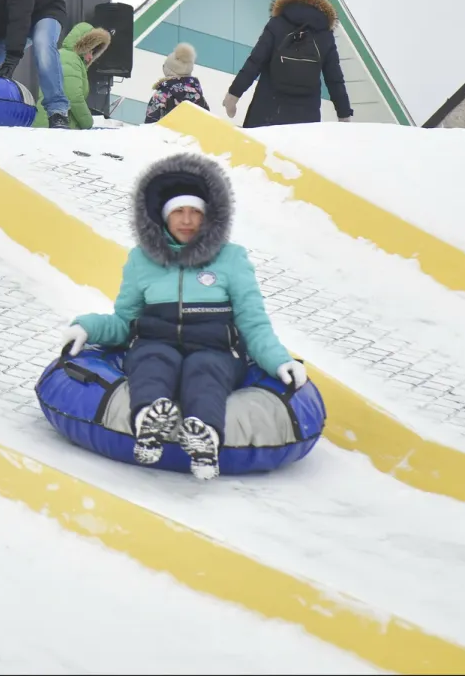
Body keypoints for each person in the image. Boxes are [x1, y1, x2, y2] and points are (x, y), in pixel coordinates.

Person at [56, 153, 307, 481]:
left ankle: (205, 436)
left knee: (204, 370)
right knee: (151, 360)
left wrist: (280, 361)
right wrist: (87, 327)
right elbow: (123, 321)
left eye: (195, 212)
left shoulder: (231, 260)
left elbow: (252, 321)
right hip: (155, 341)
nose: (187, 220)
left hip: (215, 348)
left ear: (209, 217)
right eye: (178, 211)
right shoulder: (142, 261)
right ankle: (150, 419)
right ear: (163, 217)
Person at [224, 0, 353, 127]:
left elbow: (255, 61)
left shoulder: (278, 22)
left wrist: (234, 94)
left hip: (267, 107)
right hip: (305, 117)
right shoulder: (325, 35)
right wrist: (344, 114)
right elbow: (334, 78)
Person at [32, 21, 111, 129]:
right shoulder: (69, 58)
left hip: (49, 124)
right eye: (91, 51)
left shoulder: (62, 55)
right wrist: (87, 123)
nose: (91, 57)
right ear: (85, 45)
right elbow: (73, 96)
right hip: (56, 127)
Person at [145, 42, 209, 124]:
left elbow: (150, 125)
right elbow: (206, 122)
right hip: (190, 136)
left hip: (166, 136)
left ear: (168, 70)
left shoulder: (162, 95)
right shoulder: (198, 95)